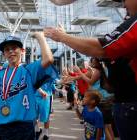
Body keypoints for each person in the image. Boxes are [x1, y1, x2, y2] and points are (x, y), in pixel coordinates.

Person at [44, 0, 137, 139]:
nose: (123, 6)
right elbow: (108, 81)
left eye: (124, 1)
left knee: (105, 127)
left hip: (128, 104)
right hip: (122, 103)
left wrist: (62, 37)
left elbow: (101, 49)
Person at [0, 32, 54, 140]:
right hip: (0, 127)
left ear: (22, 51)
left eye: (14, 48)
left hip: (23, 127)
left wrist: (40, 37)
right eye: (7, 49)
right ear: (4, 54)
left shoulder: (28, 71)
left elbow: (49, 60)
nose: (10, 51)